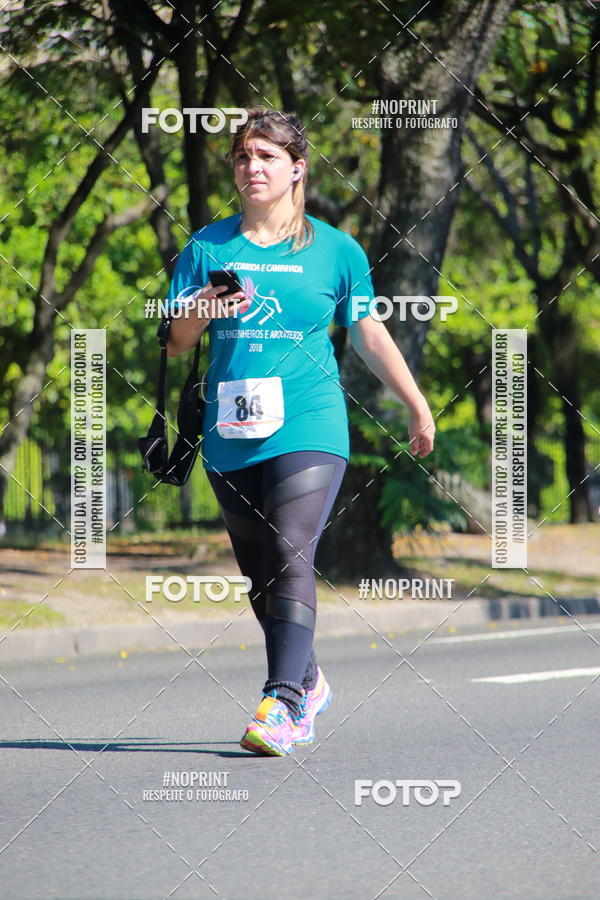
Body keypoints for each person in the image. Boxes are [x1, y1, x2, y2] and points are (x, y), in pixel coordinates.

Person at [165, 107, 435, 756]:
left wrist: (415, 404)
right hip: (230, 430)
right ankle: (308, 680)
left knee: (291, 554)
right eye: (242, 157)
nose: (252, 168)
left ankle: (282, 703)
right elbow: (174, 343)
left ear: (297, 168)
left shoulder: (337, 251)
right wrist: (204, 306)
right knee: (262, 577)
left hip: (310, 422)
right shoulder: (207, 247)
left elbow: (368, 333)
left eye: (266, 157)